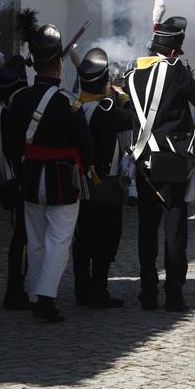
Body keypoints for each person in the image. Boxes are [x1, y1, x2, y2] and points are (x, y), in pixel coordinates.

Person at [8, 9, 94, 322]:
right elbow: (86, 147)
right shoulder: (68, 102)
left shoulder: (19, 99)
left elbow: (12, 144)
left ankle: (33, 294)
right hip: (61, 179)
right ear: (58, 63)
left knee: (35, 238)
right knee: (59, 240)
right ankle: (45, 298)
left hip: (31, 176)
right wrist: (84, 169)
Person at [125, 0, 195, 312]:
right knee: (174, 230)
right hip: (172, 162)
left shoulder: (132, 77)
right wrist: (192, 76)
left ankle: (147, 293)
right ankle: (174, 294)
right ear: (175, 50)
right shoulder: (177, 72)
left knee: (147, 229)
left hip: (143, 162)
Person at [72, 48, 132, 309]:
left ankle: (82, 288)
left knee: (83, 237)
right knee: (107, 238)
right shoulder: (110, 110)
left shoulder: (75, 106)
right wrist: (122, 96)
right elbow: (130, 128)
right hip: (105, 186)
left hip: (79, 183)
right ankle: (98, 289)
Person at [0, 52, 31, 310]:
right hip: (20, 179)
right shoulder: (14, 113)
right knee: (23, 238)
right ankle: (15, 289)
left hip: (11, 178)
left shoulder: (3, 110)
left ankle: (15, 287)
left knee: (21, 237)